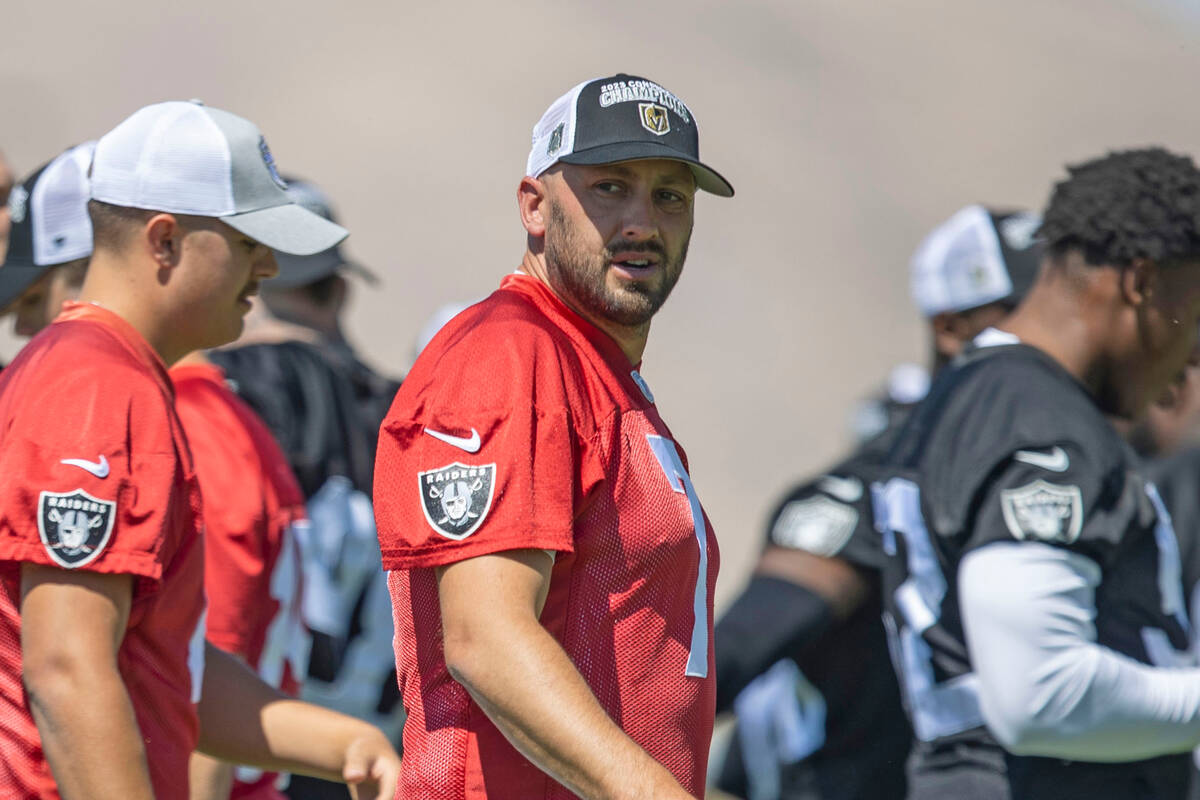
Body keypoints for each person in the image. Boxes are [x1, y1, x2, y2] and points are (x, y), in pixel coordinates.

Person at [0, 102, 399, 800]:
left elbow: (162, 658)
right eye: (250, 242)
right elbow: (67, 667)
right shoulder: (97, 388)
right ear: (164, 241)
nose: (270, 268)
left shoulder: (113, 376)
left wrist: (344, 742)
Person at [372, 73, 732, 799]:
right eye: (610, 188)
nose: (642, 221)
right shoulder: (510, 354)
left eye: (670, 195)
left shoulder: (594, 368)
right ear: (535, 206)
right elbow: (484, 638)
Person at [872, 147, 1200, 800]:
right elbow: (1041, 694)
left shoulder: (975, 392)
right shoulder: (1039, 419)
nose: (1191, 354)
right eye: (1193, 315)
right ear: (1141, 283)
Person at [711, 205, 1043, 800]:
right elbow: (724, 662)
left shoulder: (1100, 470)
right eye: (1031, 314)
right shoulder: (872, 490)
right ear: (951, 327)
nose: (1063, 333)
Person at [209, 177, 404, 800]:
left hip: (247, 745)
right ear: (339, 290)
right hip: (377, 758)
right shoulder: (411, 408)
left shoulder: (214, 389)